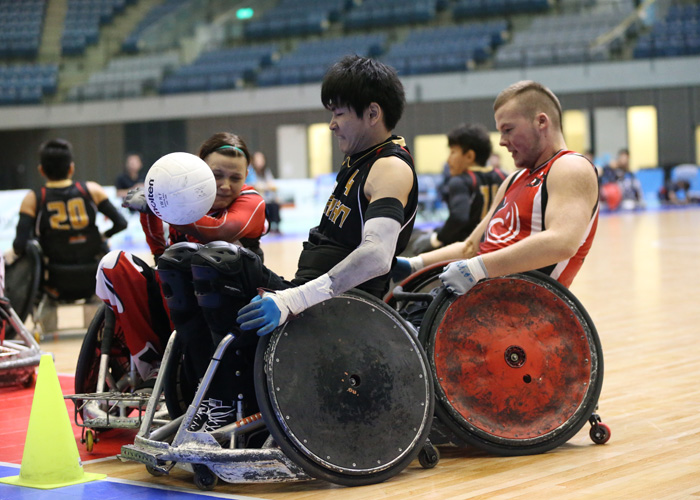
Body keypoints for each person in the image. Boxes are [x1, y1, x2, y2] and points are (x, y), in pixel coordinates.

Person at [158, 55, 418, 432]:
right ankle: (211, 394)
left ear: (372, 112)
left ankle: (232, 402)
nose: (331, 124)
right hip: (314, 298)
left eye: (339, 114)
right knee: (178, 259)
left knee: (222, 261)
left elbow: (378, 256)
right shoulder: (359, 162)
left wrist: (292, 299)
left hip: (345, 311)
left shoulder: (390, 166)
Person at [395, 80, 599, 296]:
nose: (501, 142)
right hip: (486, 297)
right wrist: (415, 264)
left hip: (524, 307)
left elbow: (562, 242)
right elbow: (471, 248)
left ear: (541, 122)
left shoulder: (570, 166)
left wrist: (476, 268)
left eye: (508, 130)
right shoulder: (512, 180)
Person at [94, 132, 267, 384]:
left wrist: (161, 206)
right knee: (114, 264)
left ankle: (190, 364)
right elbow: (159, 253)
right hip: (176, 301)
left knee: (185, 258)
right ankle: (152, 364)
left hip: (227, 310)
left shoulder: (252, 201)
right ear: (199, 169)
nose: (225, 185)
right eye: (216, 175)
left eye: (235, 177)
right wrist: (152, 213)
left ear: (247, 176)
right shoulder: (178, 199)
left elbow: (220, 230)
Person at [10, 138, 127, 297]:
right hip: (93, 277)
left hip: (53, 281)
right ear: (71, 168)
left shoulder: (33, 198)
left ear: (41, 170)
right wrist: (103, 237)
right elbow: (121, 223)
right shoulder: (92, 190)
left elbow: (19, 245)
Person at [411, 123, 506, 254]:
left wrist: (437, 239)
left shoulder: (460, 181)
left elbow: (458, 218)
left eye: (453, 152)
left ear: (469, 156)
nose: (448, 160)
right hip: (499, 247)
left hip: (467, 250)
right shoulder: (504, 176)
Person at [248, 151, 282, 234]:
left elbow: (272, 185)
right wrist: (264, 187)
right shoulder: (250, 171)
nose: (259, 162)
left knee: (275, 204)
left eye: (261, 159)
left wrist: (263, 187)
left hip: (267, 198)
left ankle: (275, 227)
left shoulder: (266, 172)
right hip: (257, 198)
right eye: (257, 159)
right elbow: (254, 186)